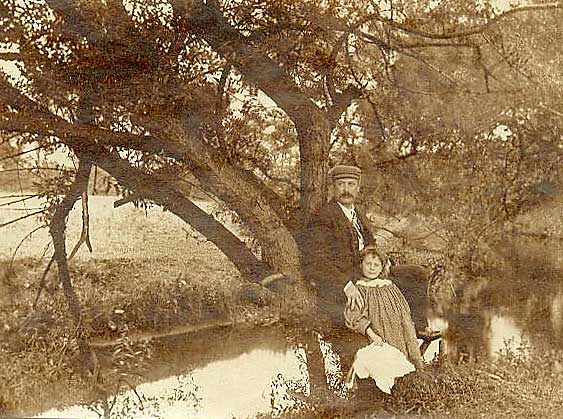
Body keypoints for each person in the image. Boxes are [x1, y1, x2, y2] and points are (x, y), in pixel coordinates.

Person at [301, 164, 376, 379]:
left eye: (351, 184)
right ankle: (359, 379)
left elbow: (370, 245)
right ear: (333, 187)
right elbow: (316, 261)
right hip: (339, 287)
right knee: (359, 335)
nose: (346, 189)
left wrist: (382, 261)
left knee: (414, 274)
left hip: (367, 276)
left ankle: (416, 329)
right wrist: (345, 284)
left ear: (358, 187)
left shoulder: (356, 214)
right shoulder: (325, 216)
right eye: (341, 184)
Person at [344, 245, 425, 372]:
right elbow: (355, 317)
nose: (371, 268)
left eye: (376, 265)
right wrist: (372, 335)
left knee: (403, 365)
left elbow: (404, 315)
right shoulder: (359, 289)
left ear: (382, 267)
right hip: (377, 335)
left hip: (397, 334)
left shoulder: (390, 287)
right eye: (368, 264)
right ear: (361, 265)